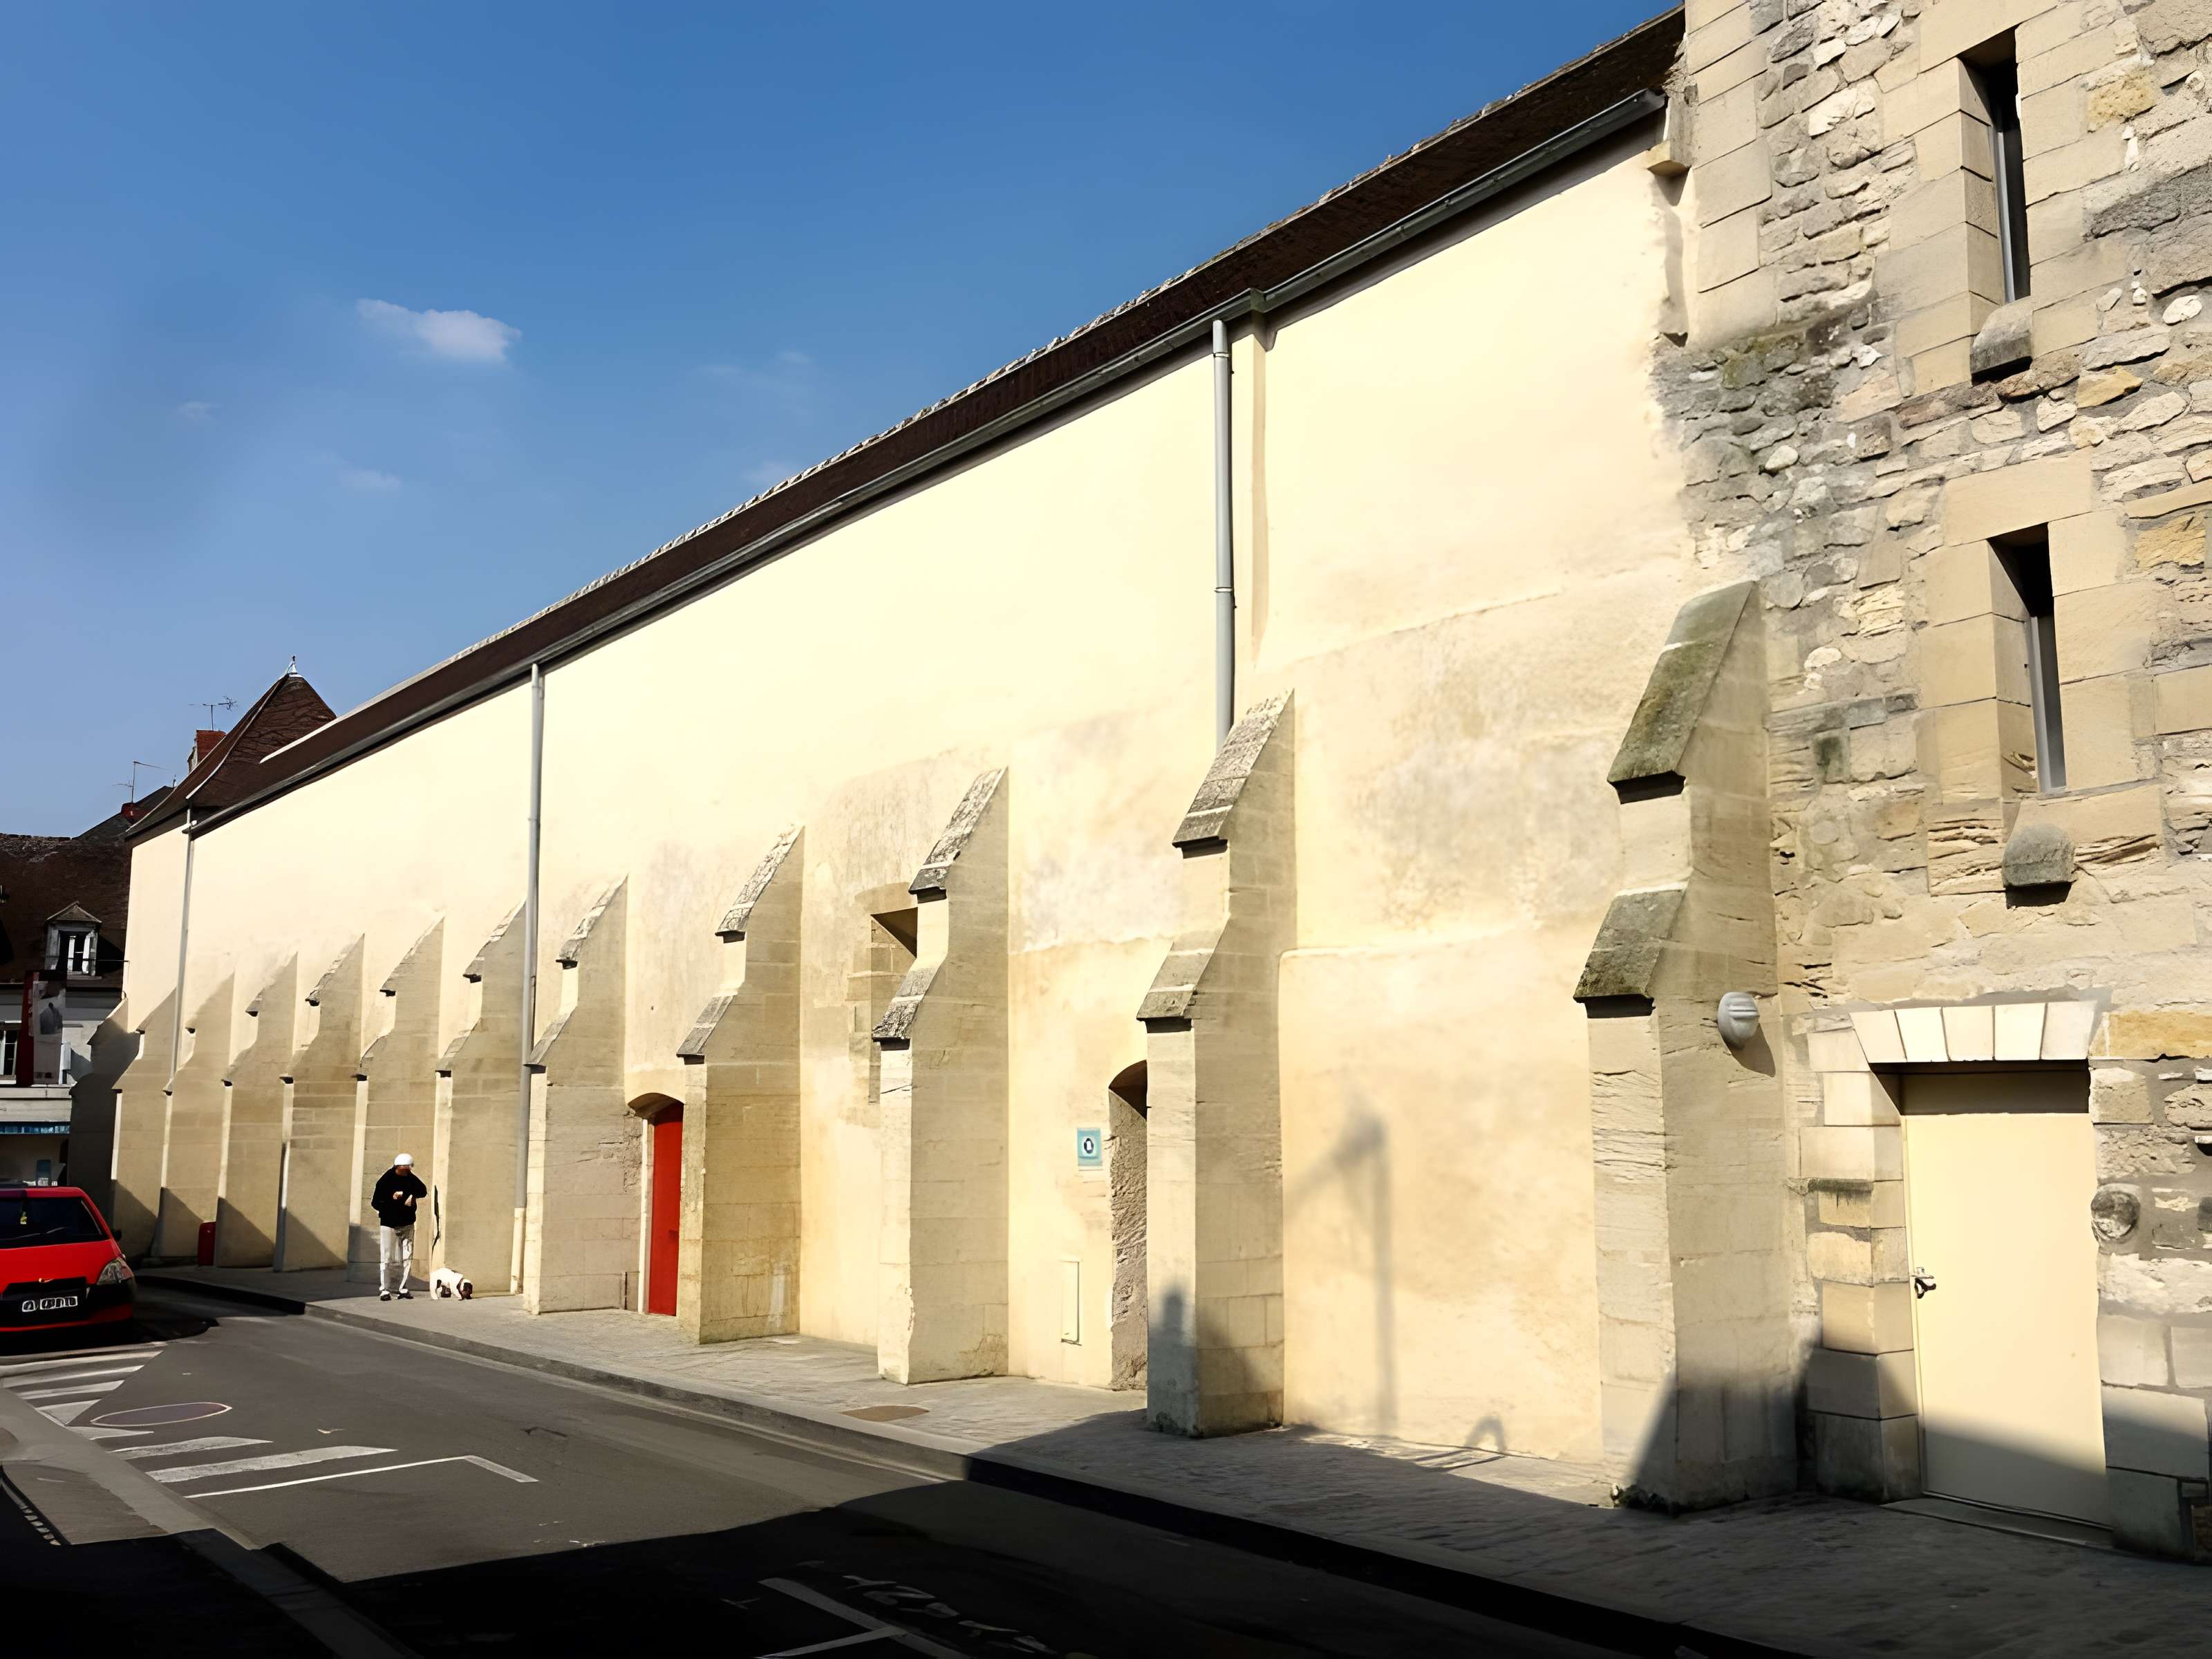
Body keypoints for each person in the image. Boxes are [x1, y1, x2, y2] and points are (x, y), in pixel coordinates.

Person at [373, 1153, 427, 1300]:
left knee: (407, 1257)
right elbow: (376, 1203)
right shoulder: (385, 1181)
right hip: (389, 1224)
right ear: (398, 1167)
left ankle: (402, 1288)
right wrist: (392, 1199)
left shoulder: (410, 1178)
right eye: (404, 1169)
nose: (407, 1172)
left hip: (407, 1224)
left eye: (408, 1169)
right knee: (387, 1257)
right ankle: (385, 1289)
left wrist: (412, 1196)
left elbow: (423, 1191)